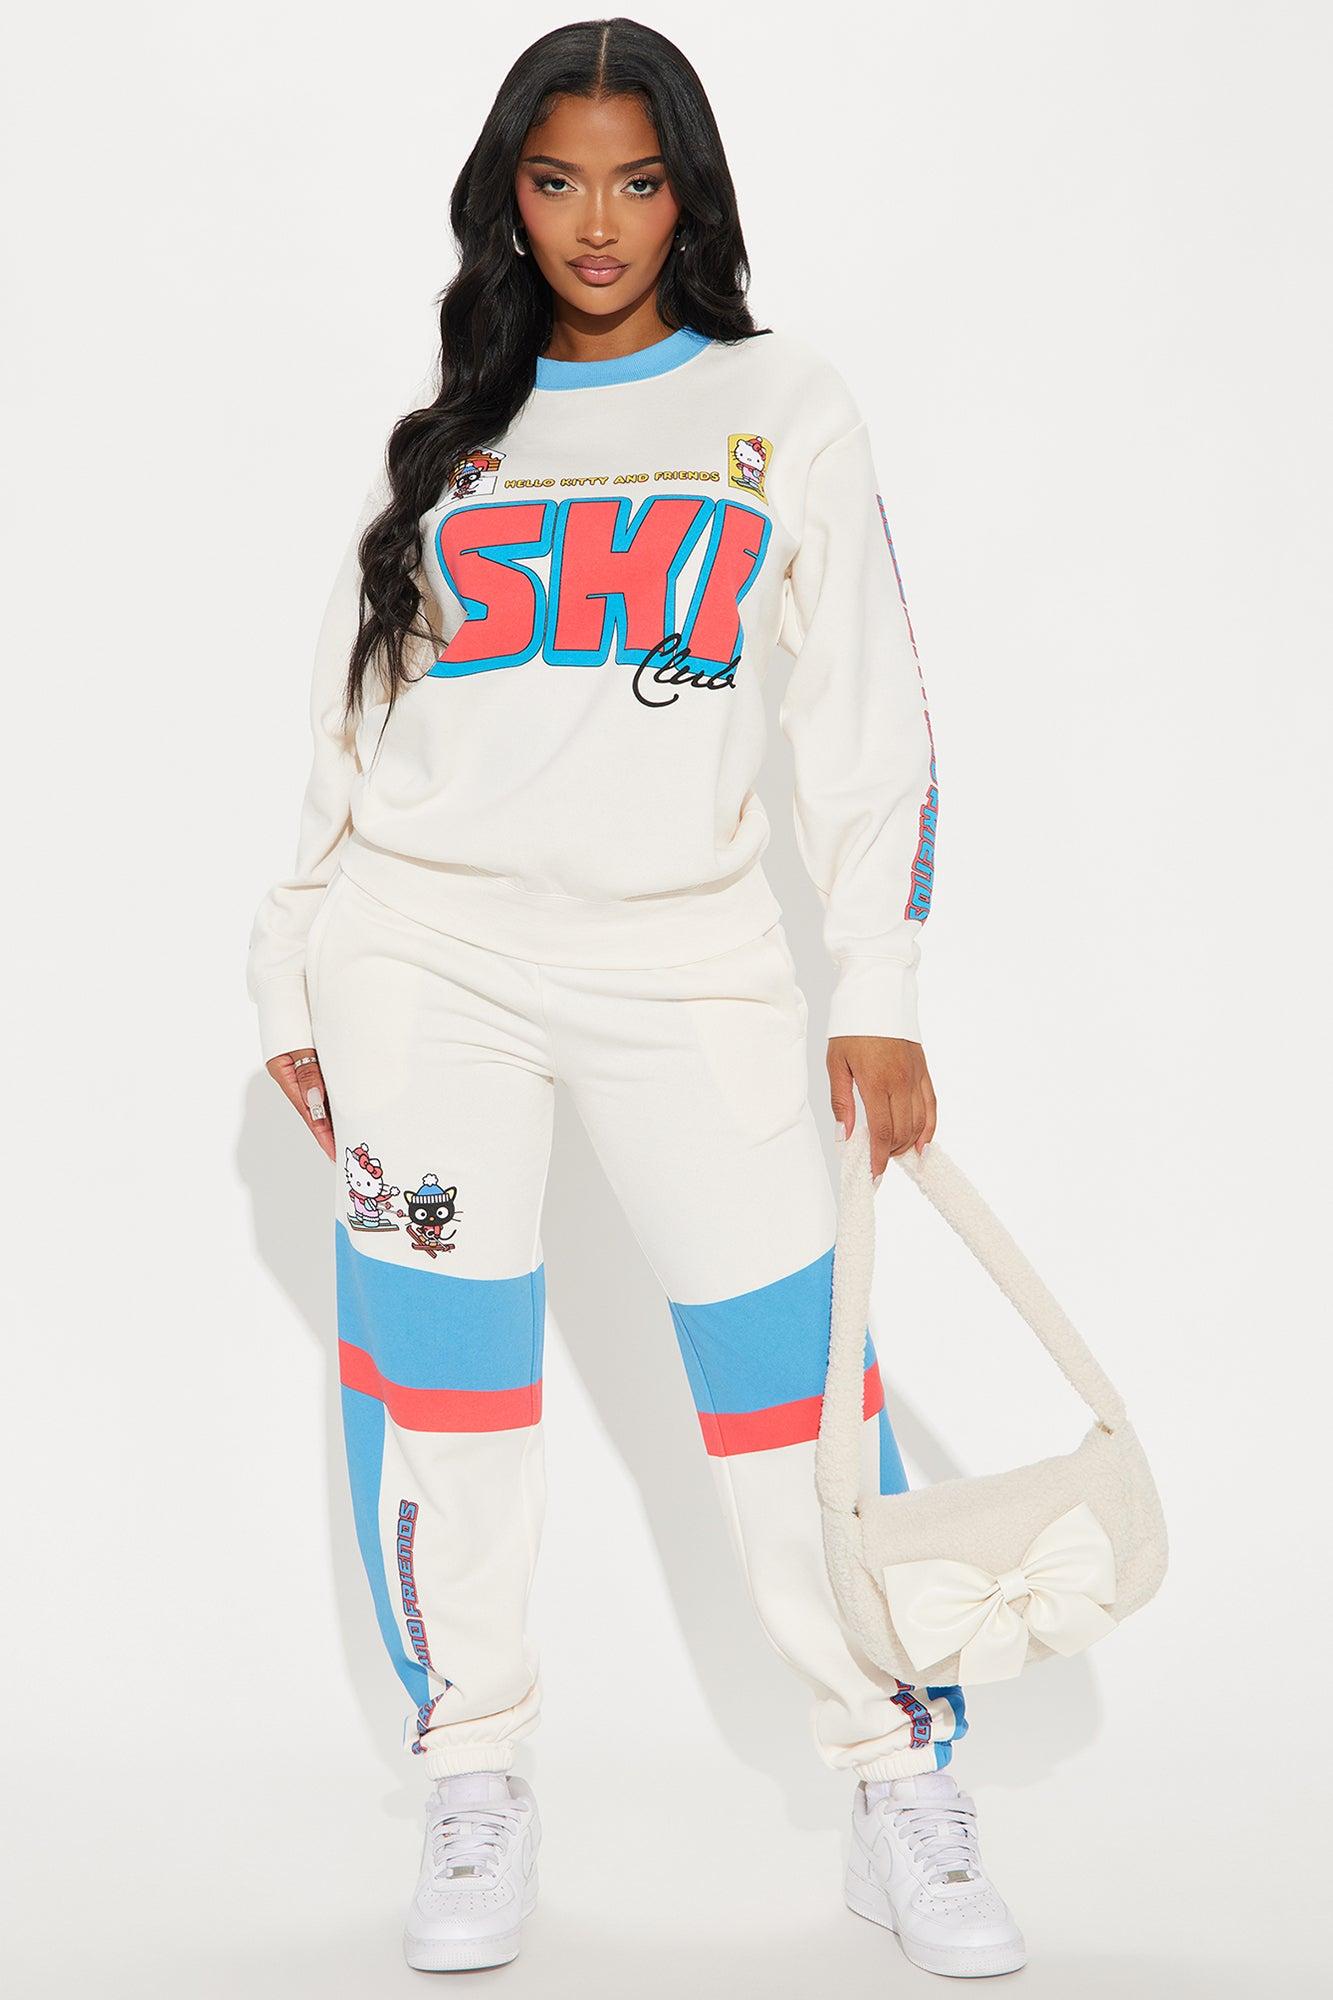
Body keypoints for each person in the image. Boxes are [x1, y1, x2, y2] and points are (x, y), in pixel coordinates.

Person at [245, 15, 1025, 1980]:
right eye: (556, 180)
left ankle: (896, 1772)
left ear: (690, 193)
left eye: (637, 178)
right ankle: (473, 1768)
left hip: (688, 959)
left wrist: (879, 984)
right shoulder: (453, 431)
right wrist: (289, 963)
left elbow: (868, 722)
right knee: (449, 1391)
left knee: (788, 1391)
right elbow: (352, 722)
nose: (597, 222)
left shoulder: (783, 404)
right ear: (508, 200)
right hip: (421, 960)